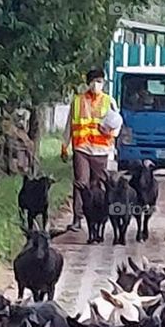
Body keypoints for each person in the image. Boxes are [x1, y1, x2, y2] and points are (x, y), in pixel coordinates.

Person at [61, 68, 123, 229]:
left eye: (100, 81)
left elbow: (118, 123)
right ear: (88, 83)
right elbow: (69, 124)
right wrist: (64, 145)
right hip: (81, 148)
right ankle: (77, 219)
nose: (97, 84)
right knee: (81, 183)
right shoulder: (77, 101)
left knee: (98, 185)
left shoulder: (109, 101)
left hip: (101, 151)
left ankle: (98, 216)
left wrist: (111, 133)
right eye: (94, 81)